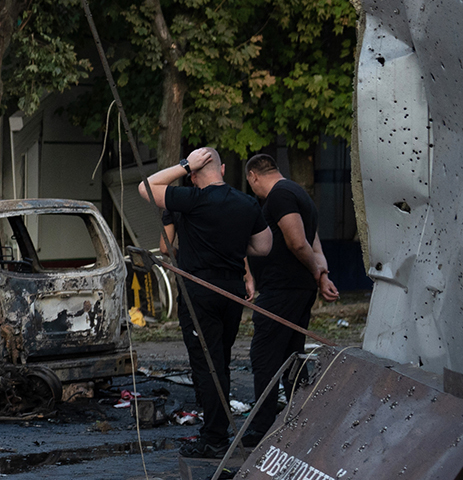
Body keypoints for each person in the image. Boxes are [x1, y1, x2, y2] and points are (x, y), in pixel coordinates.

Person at [140, 148, 273, 458]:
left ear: (195, 173)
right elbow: (264, 247)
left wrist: (185, 164)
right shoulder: (246, 202)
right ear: (222, 169)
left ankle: (214, 438)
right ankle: (216, 429)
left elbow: (145, 186)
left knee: (207, 364)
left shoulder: (192, 199)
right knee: (220, 360)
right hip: (231, 289)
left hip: (200, 289)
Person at [241, 154, 340, 445]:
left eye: (251, 184)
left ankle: (263, 428)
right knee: (292, 354)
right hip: (296, 288)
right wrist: (321, 276)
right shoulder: (299, 193)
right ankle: (301, 418)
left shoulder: (280, 195)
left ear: (253, 176)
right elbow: (314, 243)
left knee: (265, 356)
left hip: (282, 290)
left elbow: (298, 242)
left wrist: (315, 272)